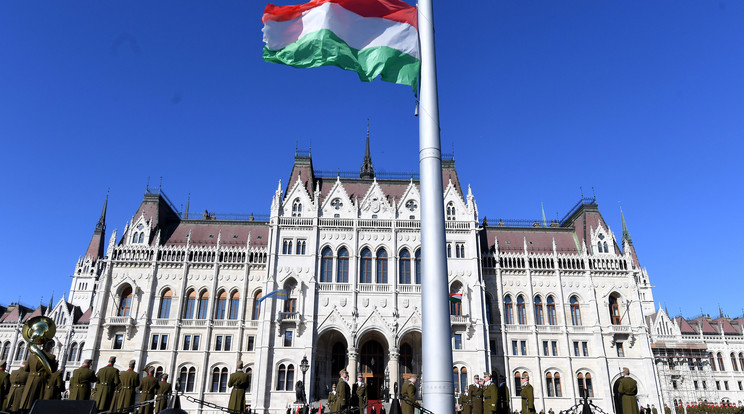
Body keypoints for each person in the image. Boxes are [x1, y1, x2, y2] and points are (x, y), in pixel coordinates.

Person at [20, 339, 58, 410]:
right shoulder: (51, 357)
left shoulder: (32, 354)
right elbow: (52, 371)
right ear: (50, 347)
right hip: (40, 380)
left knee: (26, 400)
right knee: (36, 401)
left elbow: (26, 369)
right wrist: (56, 364)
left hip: (30, 379)